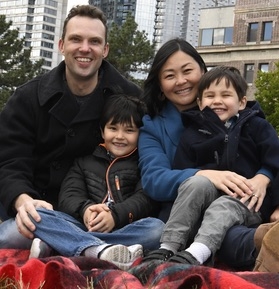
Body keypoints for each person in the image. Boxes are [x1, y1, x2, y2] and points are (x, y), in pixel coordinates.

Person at [0, 4, 142, 249]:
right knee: (11, 236)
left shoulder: (131, 99)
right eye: (76, 39)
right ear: (61, 45)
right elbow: (9, 160)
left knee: (153, 231)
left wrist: (118, 212)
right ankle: (89, 247)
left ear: (105, 49)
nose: (85, 49)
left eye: (94, 42)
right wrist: (23, 200)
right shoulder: (27, 97)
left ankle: (63, 245)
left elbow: (149, 160)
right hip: (41, 208)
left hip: (101, 217)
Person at [138, 38, 272, 270]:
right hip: (184, 211)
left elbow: (272, 156)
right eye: (170, 76)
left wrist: (264, 176)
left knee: (229, 231)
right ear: (159, 84)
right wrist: (205, 174)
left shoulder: (248, 120)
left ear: (202, 70)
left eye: (188, 71)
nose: (181, 81)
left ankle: (268, 243)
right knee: (163, 229)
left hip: (239, 203)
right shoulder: (154, 125)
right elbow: (153, 179)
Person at [27, 94, 164, 270]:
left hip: (124, 229)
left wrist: (114, 216)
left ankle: (65, 246)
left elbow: (145, 198)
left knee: (156, 228)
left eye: (129, 130)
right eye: (113, 128)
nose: (120, 136)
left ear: (140, 133)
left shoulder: (142, 162)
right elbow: (69, 195)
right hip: (83, 226)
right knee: (37, 212)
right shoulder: (84, 162)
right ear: (102, 131)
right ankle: (100, 250)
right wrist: (86, 210)